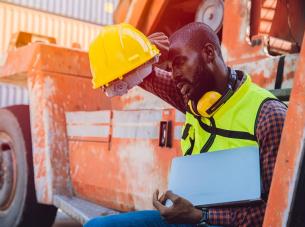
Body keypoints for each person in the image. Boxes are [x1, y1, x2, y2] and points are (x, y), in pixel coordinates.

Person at [85, 22, 287, 227]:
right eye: (171, 68)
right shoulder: (193, 99)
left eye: (180, 63)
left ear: (209, 53)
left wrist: (202, 216)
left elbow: (279, 209)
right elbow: (138, 75)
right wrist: (141, 51)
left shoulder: (268, 115)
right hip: (190, 218)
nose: (174, 75)